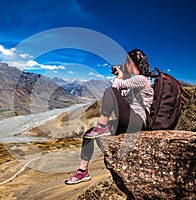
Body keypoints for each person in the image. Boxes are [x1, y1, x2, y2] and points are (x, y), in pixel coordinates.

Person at [65, 48, 154, 185]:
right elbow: (122, 94)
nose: (125, 64)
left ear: (132, 63)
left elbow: (115, 87)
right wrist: (122, 76)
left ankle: (102, 126)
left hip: (137, 121)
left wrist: (120, 75)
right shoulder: (137, 80)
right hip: (130, 119)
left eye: (126, 61)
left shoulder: (141, 79)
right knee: (88, 134)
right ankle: (83, 171)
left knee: (109, 91)